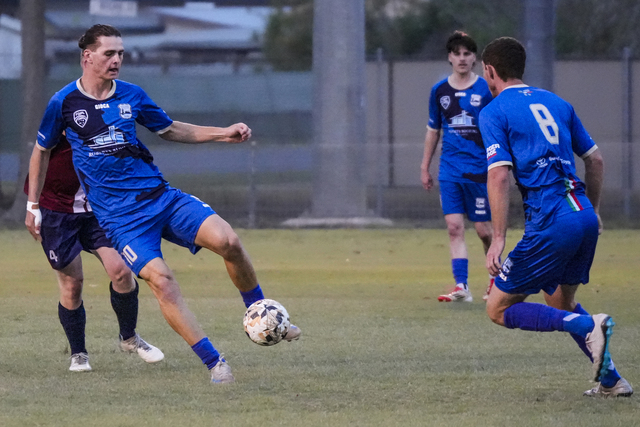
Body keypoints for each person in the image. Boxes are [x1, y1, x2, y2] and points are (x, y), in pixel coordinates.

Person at [25, 24, 300, 385]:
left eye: (121, 53)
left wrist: (223, 133)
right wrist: (33, 206)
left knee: (229, 241)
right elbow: (41, 150)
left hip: (162, 198)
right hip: (122, 220)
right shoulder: (63, 103)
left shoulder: (132, 95)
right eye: (109, 53)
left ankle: (261, 311)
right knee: (162, 281)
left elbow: (169, 129)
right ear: (87, 57)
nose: (117, 59)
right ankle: (215, 364)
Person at [480, 36, 632, 397]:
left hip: (551, 220)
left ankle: (587, 325)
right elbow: (595, 160)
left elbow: (498, 175)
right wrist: (594, 211)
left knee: (497, 309)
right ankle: (612, 381)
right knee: (560, 301)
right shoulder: (558, 103)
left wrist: (497, 239)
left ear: (489, 71)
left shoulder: (494, 111)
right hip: (582, 216)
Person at [24, 134, 164, 372]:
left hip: (97, 210)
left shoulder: (108, 124)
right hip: (57, 212)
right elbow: (39, 153)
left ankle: (129, 338)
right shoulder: (59, 120)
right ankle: (78, 354)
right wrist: (32, 206)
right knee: (72, 284)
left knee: (121, 271)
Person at [420, 31, 494, 303]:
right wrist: (425, 166)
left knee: (484, 230)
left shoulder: (486, 89)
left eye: (467, 53)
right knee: (454, 227)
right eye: (457, 54)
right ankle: (461, 286)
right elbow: (433, 130)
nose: (462, 58)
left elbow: (498, 127)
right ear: (450, 57)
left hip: (480, 170)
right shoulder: (439, 91)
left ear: (475, 58)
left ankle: (496, 280)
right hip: (450, 170)